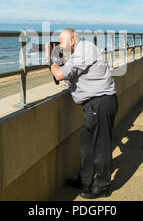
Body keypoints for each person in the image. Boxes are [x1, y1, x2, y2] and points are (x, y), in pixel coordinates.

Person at [46, 29, 118, 199]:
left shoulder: (84, 51)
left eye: (61, 42)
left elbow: (60, 74)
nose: (60, 46)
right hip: (94, 104)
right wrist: (57, 57)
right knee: (87, 143)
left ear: (72, 41)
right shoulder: (79, 52)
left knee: (101, 146)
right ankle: (85, 180)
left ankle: (102, 185)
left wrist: (50, 57)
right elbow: (64, 69)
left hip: (100, 102)